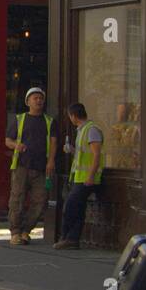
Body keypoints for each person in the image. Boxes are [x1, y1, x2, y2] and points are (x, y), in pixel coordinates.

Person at [5, 87, 54, 246]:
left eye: (40, 98)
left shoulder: (49, 121)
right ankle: (15, 232)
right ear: (28, 102)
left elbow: (54, 143)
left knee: (40, 201)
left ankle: (26, 230)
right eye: (35, 98)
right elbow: (7, 140)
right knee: (17, 199)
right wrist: (16, 145)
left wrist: (51, 160)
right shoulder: (20, 120)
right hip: (21, 166)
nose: (38, 101)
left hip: (41, 167)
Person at [55, 103, 102, 251]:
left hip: (86, 179)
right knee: (78, 208)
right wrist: (72, 150)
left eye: (70, 116)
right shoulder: (82, 130)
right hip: (79, 177)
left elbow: (96, 155)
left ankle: (67, 238)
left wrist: (90, 176)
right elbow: (84, 154)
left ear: (73, 116)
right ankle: (73, 239)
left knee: (70, 206)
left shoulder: (91, 129)